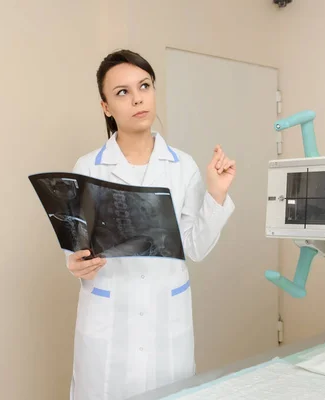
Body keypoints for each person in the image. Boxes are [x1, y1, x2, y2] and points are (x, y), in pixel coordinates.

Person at [66, 49, 236, 400]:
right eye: (122, 92)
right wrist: (76, 264)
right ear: (106, 107)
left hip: (165, 322)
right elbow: (76, 245)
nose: (137, 98)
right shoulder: (88, 168)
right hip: (109, 321)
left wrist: (216, 195)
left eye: (144, 86)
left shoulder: (182, 166)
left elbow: (196, 248)